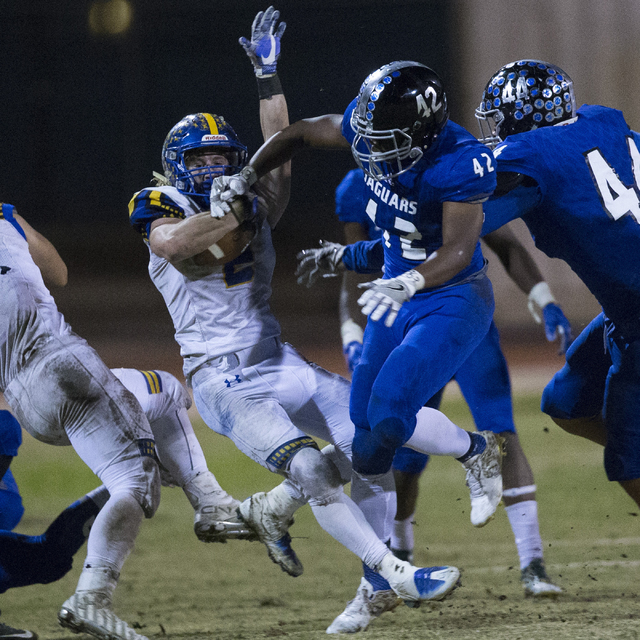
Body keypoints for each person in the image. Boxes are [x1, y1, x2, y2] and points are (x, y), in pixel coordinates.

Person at [127, 16, 512, 614]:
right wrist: (238, 208)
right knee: (310, 465)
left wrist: (266, 75)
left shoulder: (254, 196)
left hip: (277, 358)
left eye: (221, 159)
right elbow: (177, 248)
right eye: (198, 162)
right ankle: (394, 574)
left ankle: (289, 520)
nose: (210, 171)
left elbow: (283, 148)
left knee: (369, 439)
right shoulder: (158, 204)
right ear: (175, 165)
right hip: (221, 378)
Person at [474, 59, 640, 509]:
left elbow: (467, 217)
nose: (498, 128)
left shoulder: (534, 157)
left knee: (630, 462)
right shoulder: (603, 122)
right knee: (567, 401)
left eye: (502, 117)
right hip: (626, 309)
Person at [0, 199, 162, 640]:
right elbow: (58, 273)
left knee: (46, 554)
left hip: (23, 389)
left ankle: (142, 475)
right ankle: (92, 598)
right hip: (47, 369)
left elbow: (57, 275)